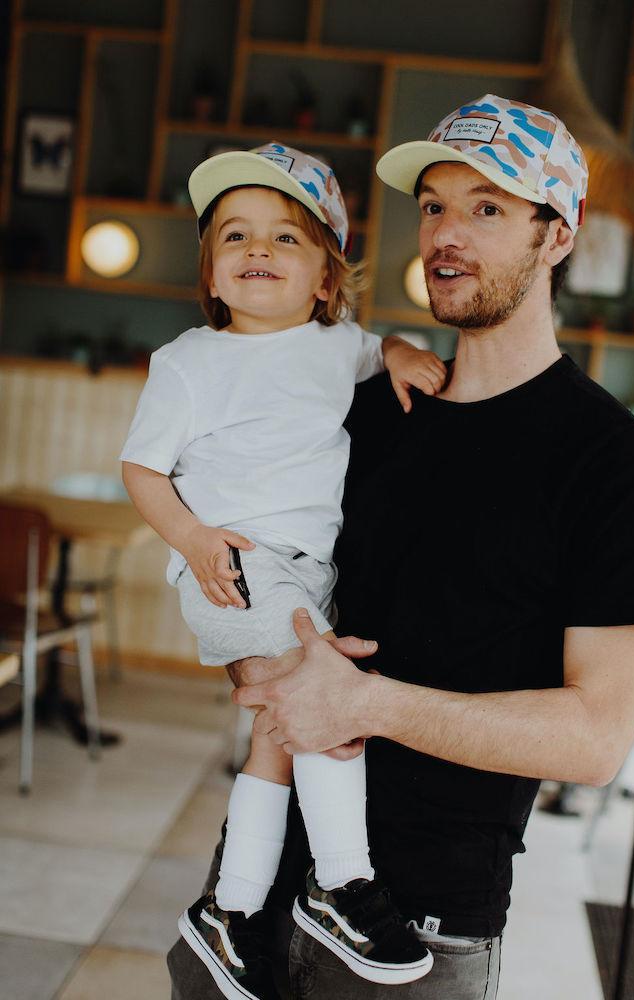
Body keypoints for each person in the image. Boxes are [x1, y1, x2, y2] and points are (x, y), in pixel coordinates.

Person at [167, 96, 634, 1000]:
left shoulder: (616, 465)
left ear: (558, 235)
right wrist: (258, 663)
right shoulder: (359, 412)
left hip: (422, 930)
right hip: (252, 893)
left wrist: (366, 702)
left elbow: (596, 739)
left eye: (487, 208)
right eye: (433, 205)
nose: (446, 233)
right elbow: (256, 589)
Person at [121, 143, 447, 1000]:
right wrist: (191, 539)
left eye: (285, 238)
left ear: (325, 278)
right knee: (327, 701)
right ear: (213, 273)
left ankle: (229, 915)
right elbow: (143, 472)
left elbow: (385, 350)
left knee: (280, 732)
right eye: (235, 235)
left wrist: (407, 352)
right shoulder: (189, 361)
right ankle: (342, 883)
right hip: (233, 560)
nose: (256, 249)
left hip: (307, 573)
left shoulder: (338, 346)